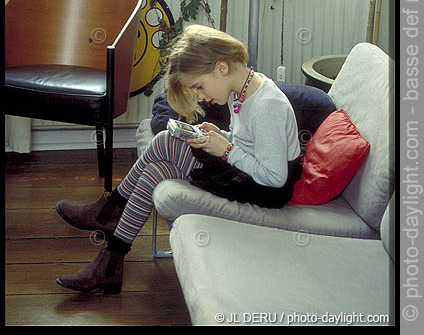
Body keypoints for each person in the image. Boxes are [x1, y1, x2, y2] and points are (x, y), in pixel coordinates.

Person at [55, 24, 302, 294]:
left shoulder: (267, 105)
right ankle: (110, 261)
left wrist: (227, 150)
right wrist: (224, 135)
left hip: (262, 188)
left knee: (165, 141)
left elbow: (275, 177)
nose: (199, 96)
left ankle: (111, 209)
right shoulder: (242, 92)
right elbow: (251, 142)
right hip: (247, 172)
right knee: (155, 171)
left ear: (221, 68)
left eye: (198, 86)